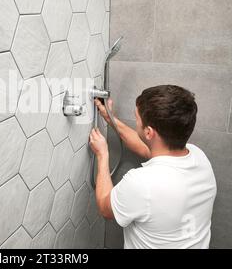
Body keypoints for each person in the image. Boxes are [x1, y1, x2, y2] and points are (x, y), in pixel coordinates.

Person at [89, 85, 217, 249]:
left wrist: (102, 155)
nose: (136, 122)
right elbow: (146, 148)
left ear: (149, 132)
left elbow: (106, 209)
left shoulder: (142, 182)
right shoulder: (199, 157)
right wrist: (110, 119)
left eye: (137, 119)